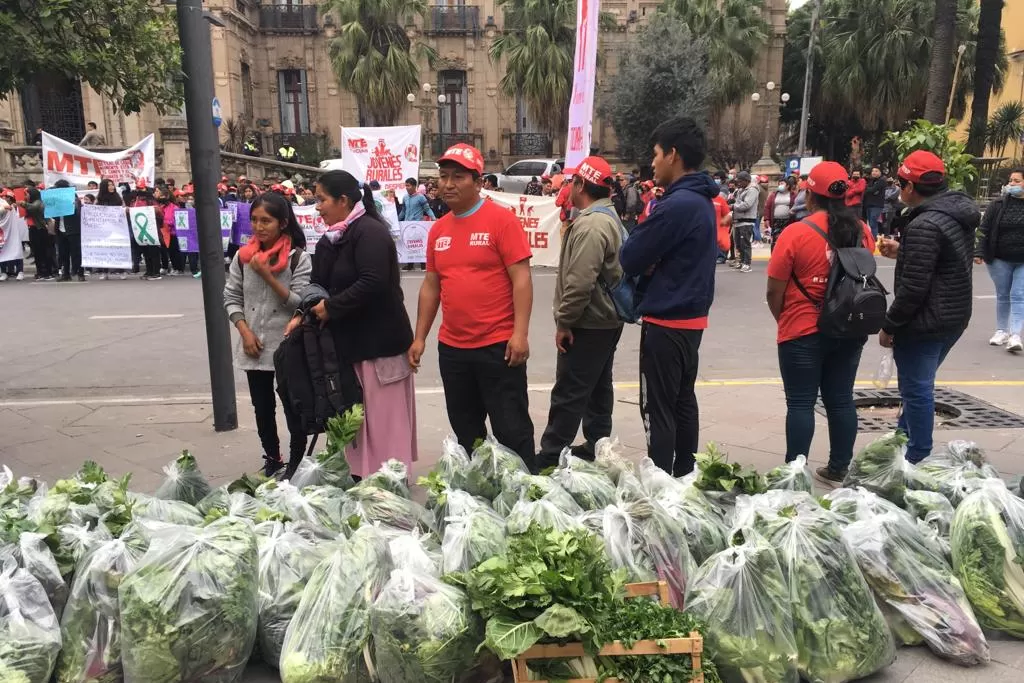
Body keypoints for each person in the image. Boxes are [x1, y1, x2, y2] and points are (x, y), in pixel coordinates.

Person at [285, 170, 418, 479]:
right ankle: (361, 477)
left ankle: (390, 479)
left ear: (343, 200)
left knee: (385, 419)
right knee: (357, 417)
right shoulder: (333, 238)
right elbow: (317, 282)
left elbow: (373, 281)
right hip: (348, 346)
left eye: (321, 200)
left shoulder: (370, 231)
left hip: (380, 344)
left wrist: (331, 307)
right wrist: (302, 312)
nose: (316, 207)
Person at [408, 143, 535, 465]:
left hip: (498, 347)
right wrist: (420, 337)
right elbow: (431, 286)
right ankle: (479, 493)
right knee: (467, 432)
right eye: (444, 176)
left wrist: (520, 334)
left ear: (478, 182)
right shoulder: (438, 230)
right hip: (454, 350)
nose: (448, 184)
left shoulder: (501, 221)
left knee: (512, 429)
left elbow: (521, 279)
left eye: (458, 177)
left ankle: (525, 495)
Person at [619, 116, 718, 476]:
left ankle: (660, 484)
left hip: (666, 321)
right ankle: (684, 474)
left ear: (673, 155)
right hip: (691, 320)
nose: (653, 161)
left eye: (656, 153)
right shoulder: (702, 200)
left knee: (658, 408)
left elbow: (630, 256)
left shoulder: (677, 205)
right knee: (682, 401)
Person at [766, 162, 876, 484]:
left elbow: (774, 289)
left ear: (811, 196)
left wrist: (785, 319)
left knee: (800, 402)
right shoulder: (863, 231)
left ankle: (794, 475)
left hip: (802, 328)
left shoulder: (797, 233)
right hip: (849, 327)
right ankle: (840, 467)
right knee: (841, 398)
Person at [878, 150, 978, 463]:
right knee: (917, 386)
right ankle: (903, 440)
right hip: (953, 317)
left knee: (917, 389)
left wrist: (889, 325)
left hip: (925, 322)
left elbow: (913, 290)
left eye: (900, 183)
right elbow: (942, 262)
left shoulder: (924, 225)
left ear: (910, 187)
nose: (898, 190)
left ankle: (915, 455)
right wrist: (903, 251)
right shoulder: (954, 212)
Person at [537, 155, 625, 469]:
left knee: (570, 389)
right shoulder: (609, 216)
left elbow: (579, 283)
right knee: (599, 383)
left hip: (589, 321)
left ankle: (551, 454)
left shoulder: (590, 225)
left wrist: (564, 322)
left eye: (571, 181)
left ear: (579, 184)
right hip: (607, 319)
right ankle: (597, 442)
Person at [224, 192, 312, 476]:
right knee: (262, 409)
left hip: (287, 346)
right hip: (253, 346)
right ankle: (273, 457)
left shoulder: (299, 258)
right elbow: (231, 297)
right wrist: (244, 330)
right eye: (254, 220)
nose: (259, 227)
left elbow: (299, 303)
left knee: (292, 408)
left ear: (283, 223)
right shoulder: (242, 257)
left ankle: (296, 463)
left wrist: (268, 276)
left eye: (266, 221)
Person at [975, 168, 1024, 352]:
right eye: (1010, 180)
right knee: (1003, 295)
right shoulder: (997, 204)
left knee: (1019, 295)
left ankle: (1015, 334)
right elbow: (984, 229)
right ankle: (1001, 330)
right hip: (999, 258)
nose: (1011, 184)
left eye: (1017, 181)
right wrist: (979, 252)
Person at [130, 179, 164, 280]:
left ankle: (156, 272)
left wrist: (155, 209)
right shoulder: (134, 201)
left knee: (153, 251)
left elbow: (160, 212)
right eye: (138, 188)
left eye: (141, 188)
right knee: (145, 251)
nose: (139, 191)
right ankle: (149, 271)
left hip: (152, 229)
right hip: (140, 229)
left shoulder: (150, 200)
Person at [95, 178, 128, 280]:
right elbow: (94, 211)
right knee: (104, 249)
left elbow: (123, 208)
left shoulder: (118, 197)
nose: (111, 187)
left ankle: (122, 271)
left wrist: (124, 210)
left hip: (117, 227)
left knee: (118, 249)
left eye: (112, 185)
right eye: (109, 185)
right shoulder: (99, 199)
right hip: (104, 228)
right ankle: (105, 272)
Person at [21, 186, 55, 280]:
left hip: (40, 229)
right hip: (33, 229)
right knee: (37, 252)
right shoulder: (31, 203)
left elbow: (33, 207)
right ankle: (40, 272)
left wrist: (23, 203)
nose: (25, 196)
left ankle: (47, 272)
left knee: (42, 251)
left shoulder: (38, 202)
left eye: (26, 194)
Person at [52, 180, 84, 281]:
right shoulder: (55, 199)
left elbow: (77, 211)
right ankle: (66, 274)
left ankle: (80, 273)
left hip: (73, 229)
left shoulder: (73, 197)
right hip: (60, 229)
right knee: (63, 253)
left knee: (76, 253)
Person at [729, 171, 758, 272]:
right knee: (739, 243)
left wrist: (733, 206)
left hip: (746, 220)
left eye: (740, 181)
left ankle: (747, 263)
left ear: (747, 180)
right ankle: (741, 261)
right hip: (738, 220)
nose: (739, 183)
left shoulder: (752, 190)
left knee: (745, 243)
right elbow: (739, 202)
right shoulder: (740, 190)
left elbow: (747, 205)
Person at [764, 175, 798, 251]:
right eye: (779, 184)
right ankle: (773, 257)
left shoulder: (793, 195)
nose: (780, 185)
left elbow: (797, 206)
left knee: (787, 240)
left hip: (788, 221)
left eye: (782, 183)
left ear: (787, 185)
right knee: (775, 241)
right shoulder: (773, 195)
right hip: (776, 221)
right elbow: (767, 207)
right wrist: (766, 219)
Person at [863, 167, 886, 238]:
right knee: (870, 224)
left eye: (876, 171)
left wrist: (868, 189)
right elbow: (868, 190)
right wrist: (868, 189)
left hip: (877, 205)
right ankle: (873, 238)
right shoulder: (871, 181)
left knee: (873, 224)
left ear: (880, 172)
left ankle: (875, 240)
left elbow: (871, 190)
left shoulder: (881, 181)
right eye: (873, 171)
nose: (874, 172)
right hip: (868, 205)